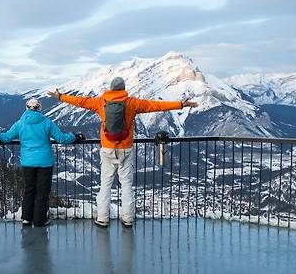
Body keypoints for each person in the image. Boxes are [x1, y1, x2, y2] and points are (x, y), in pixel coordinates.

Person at [48, 77, 198, 227]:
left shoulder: (101, 102)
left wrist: (60, 96)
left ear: (111, 88)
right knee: (126, 185)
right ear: (123, 89)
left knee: (105, 185)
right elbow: (156, 105)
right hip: (126, 149)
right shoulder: (132, 103)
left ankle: (102, 218)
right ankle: (127, 218)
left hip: (107, 149)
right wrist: (181, 104)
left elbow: (79, 101)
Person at [0, 98, 85, 227]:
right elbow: (61, 138)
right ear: (39, 108)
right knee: (42, 191)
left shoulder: (20, 124)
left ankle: (26, 218)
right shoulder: (47, 123)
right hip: (45, 162)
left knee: (29, 189)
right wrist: (76, 136)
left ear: (26, 108)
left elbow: (6, 138)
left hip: (27, 162)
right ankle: (39, 220)